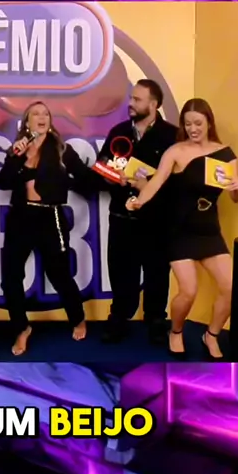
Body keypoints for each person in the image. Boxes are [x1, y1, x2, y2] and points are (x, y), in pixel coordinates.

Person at [126, 98, 238, 359]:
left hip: (209, 231)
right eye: (188, 124)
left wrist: (237, 189)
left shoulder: (225, 154)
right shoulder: (175, 151)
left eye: (198, 123)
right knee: (188, 291)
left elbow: (236, 196)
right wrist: (139, 201)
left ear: (209, 123)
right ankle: (176, 331)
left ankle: (211, 335)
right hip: (178, 231)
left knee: (231, 288)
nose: (193, 129)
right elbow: (156, 182)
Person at [0, 100, 93, 356]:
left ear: (50, 121)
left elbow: (85, 178)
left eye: (45, 113)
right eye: (35, 113)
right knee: (10, 277)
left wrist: (115, 178)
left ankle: (77, 318)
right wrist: (15, 157)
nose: (41, 117)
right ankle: (21, 328)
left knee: (59, 274)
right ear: (26, 122)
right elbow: (4, 182)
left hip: (50, 218)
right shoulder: (17, 150)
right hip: (21, 217)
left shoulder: (61, 150)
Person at [96, 79, 178, 344]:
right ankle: (119, 318)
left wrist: (149, 186)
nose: (130, 103)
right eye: (131, 98)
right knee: (121, 271)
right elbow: (102, 166)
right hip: (122, 218)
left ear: (153, 104)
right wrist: (111, 177)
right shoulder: (119, 132)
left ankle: (156, 321)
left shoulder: (173, 136)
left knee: (157, 273)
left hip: (157, 220)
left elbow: (179, 181)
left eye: (137, 99)